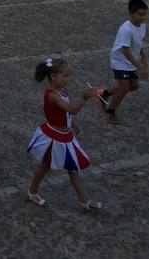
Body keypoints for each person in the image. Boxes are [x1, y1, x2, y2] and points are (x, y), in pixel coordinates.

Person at [26, 57, 101, 211]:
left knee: (72, 169)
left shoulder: (61, 91)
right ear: (53, 76)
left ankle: (84, 201)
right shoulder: (53, 95)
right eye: (65, 75)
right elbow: (72, 109)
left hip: (63, 136)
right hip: (54, 137)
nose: (68, 79)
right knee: (47, 165)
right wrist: (84, 97)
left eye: (69, 75)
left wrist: (72, 123)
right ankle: (32, 192)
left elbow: (64, 113)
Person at [95, 0, 148, 125]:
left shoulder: (143, 26)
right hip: (120, 61)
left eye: (145, 14)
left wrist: (144, 57)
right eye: (140, 14)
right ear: (131, 13)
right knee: (124, 88)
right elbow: (126, 51)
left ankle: (104, 93)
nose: (143, 17)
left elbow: (139, 44)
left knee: (134, 86)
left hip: (131, 62)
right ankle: (110, 112)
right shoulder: (126, 29)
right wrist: (140, 67)